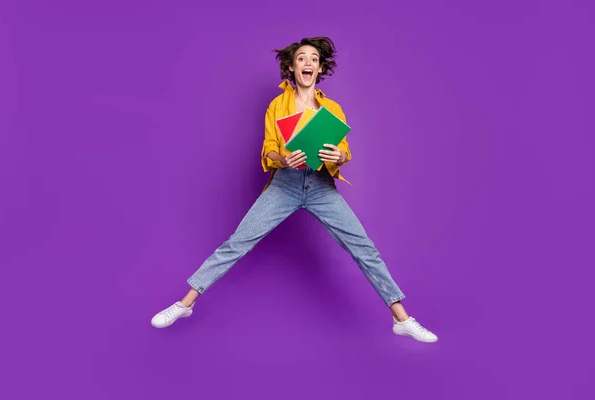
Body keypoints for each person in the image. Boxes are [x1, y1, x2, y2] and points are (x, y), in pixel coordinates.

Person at [151, 37, 438, 343]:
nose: (308, 63)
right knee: (238, 243)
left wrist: (338, 156)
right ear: (291, 67)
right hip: (285, 186)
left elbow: (344, 152)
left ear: (320, 68)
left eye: (314, 59)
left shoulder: (333, 108)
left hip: (321, 187)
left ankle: (402, 319)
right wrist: (284, 159)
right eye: (302, 58)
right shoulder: (277, 105)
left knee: (363, 249)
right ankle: (185, 304)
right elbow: (269, 151)